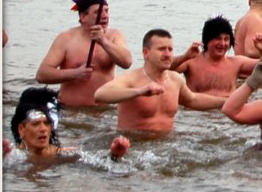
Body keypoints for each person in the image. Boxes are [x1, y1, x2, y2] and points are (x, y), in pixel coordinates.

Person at [93, 28, 227, 134]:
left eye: (170, 49)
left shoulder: (175, 79)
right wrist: (140, 92)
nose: (167, 54)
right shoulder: (132, 79)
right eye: (162, 49)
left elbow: (192, 99)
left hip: (164, 148)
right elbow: (100, 95)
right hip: (133, 146)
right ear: (146, 53)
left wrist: (227, 101)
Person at [36, 0, 133, 107]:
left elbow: (127, 62)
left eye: (106, 11)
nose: (105, 16)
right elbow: (42, 75)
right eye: (97, 12)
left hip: (104, 111)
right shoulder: (66, 38)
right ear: (83, 17)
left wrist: (103, 40)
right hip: (71, 110)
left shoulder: (114, 35)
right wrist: (75, 73)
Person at [2, 86, 129, 161]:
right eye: (36, 124)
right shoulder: (10, 155)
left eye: (47, 123)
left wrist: (114, 155)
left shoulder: (65, 154)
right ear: (21, 129)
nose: (43, 129)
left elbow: (98, 165)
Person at [171, 15, 262, 97]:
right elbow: (165, 68)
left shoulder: (236, 63)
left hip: (226, 115)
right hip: (197, 114)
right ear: (207, 40)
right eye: (217, 38)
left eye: (226, 39)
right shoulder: (191, 62)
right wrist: (185, 56)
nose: (222, 43)